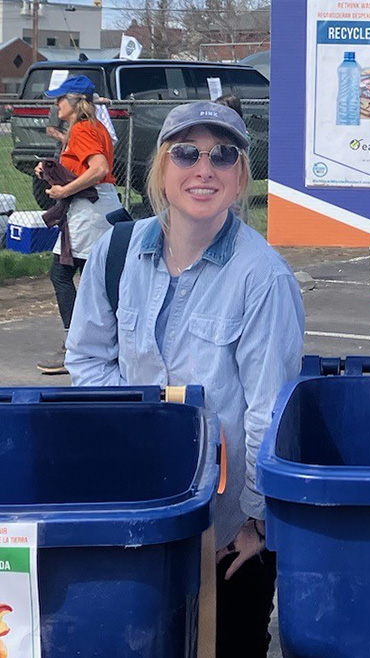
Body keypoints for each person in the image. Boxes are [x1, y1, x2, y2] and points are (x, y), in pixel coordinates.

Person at [65, 101, 305, 656]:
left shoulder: (262, 277)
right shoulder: (116, 251)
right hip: (137, 507)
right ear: (161, 168)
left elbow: (269, 411)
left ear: (241, 173)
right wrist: (145, 432)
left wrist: (256, 524)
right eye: (186, 153)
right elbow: (87, 360)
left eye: (223, 155)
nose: (204, 169)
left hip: (227, 537)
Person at [35, 75, 123, 375]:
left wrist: (63, 190)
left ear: (74, 103)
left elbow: (98, 168)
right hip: (98, 206)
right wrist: (55, 166)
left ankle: (75, 345)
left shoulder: (83, 129)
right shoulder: (92, 127)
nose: (56, 103)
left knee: (63, 274)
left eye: (60, 99)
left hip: (90, 210)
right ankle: (99, 344)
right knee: (92, 280)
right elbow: (85, 164)